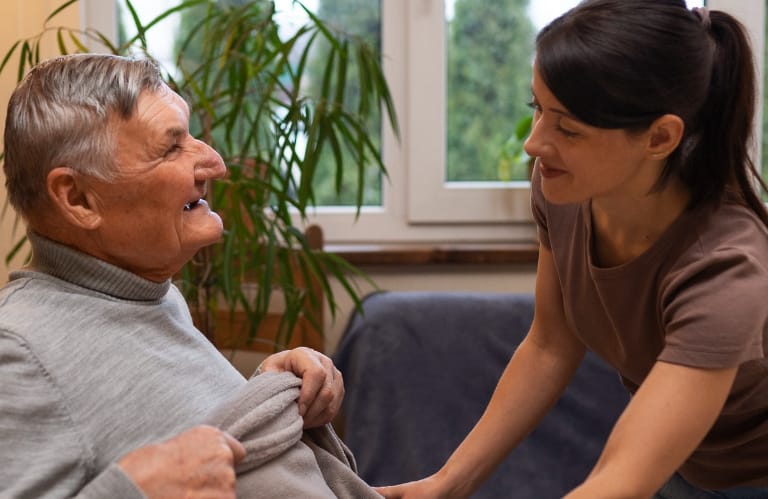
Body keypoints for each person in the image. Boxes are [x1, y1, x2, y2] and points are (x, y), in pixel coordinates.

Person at [376, 1, 768, 498]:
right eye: (536, 109)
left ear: (660, 137)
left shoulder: (727, 269)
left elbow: (622, 478)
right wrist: (446, 483)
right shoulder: (564, 191)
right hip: (684, 468)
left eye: (567, 128)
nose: (534, 145)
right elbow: (549, 344)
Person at [0, 53, 348, 498]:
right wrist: (133, 491)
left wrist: (264, 396)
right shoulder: (19, 352)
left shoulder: (151, 294)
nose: (215, 164)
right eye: (171, 147)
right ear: (79, 199)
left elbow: (176, 436)